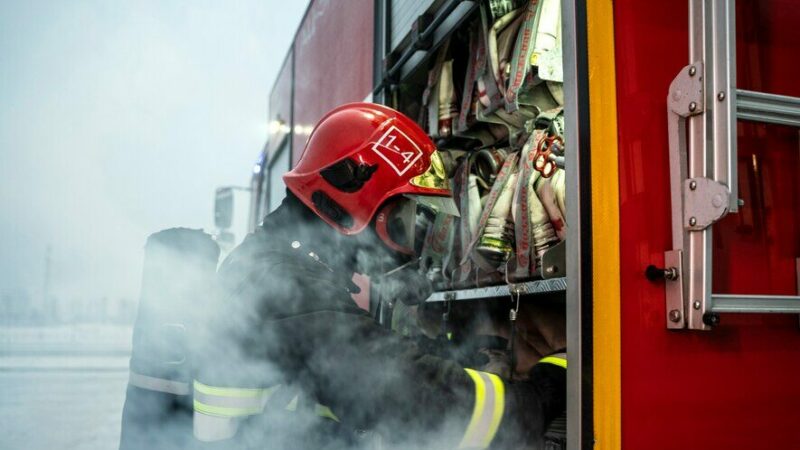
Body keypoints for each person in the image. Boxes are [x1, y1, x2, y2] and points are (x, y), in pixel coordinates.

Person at [192, 102, 566, 449]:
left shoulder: (275, 265)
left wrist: (455, 352)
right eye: (405, 222)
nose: (410, 243)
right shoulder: (289, 287)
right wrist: (548, 385)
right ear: (355, 202)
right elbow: (419, 403)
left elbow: (349, 367)